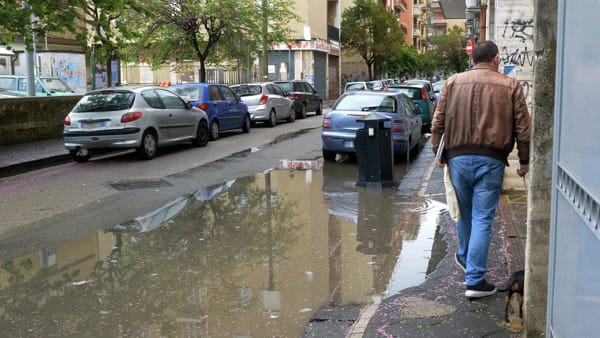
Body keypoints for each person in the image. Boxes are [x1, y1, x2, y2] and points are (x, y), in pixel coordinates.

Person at [431, 41, 531, 299]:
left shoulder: (453, 82)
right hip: (492, 159)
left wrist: (438, 153)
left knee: (464, 215)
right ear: (496, 59)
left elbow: (437, 122)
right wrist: (524, 161)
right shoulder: (510, 85)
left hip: (458, 159)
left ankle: (467, 259)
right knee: (483, 219)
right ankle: (474, 279)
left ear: (473, 60)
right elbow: (523, 127)